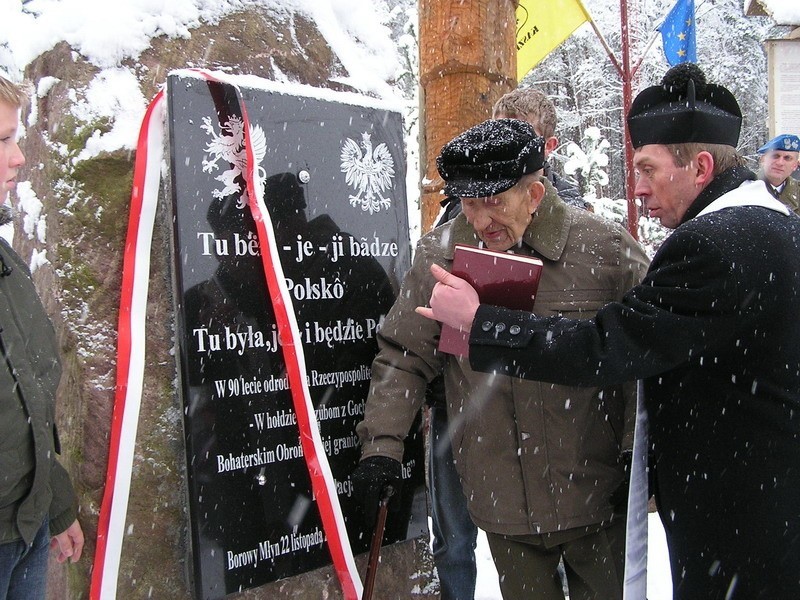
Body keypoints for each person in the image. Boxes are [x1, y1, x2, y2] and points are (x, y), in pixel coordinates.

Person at [418, 63, 800, 599]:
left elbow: (606, 346)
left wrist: (479, 323)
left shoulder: (715, 243)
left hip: (744, 514)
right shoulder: (773, 224)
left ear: (701, 166)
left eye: (647, 170)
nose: (637, 189)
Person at [352, 117, 649, 600]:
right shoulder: (442, 257)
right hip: (501, 498)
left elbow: (646, 352)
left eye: (494, 202)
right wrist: (381, 447)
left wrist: (638, 453)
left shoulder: (606, 251)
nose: (480, 220)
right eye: (468, 203)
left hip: (594, 490)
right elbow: (404, 355)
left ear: (535, 194)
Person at [426, 87, 594, 600]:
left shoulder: (577, 219)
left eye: (526, 141)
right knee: (453, 537)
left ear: (550, 147)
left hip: (541, 405)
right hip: (461, 396)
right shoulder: (453, 214)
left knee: (548, 539)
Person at [0, 75, 83, 598]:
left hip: (22, 533)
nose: (19, 158)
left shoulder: (7, 264)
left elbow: (26, 396)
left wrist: (53, 505)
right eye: (3, 141)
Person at [757, 133, 799, 213]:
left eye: (787, 158)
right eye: (775, 156)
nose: (780, 163)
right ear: (762, 160)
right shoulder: (744, 188)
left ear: (795, 165)